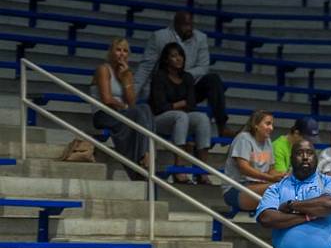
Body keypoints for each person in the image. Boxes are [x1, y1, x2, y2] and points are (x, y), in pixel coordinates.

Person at [137, 11, 234, 137]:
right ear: (176, 24)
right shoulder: (159, 37)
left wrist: (181, 74)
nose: (190, 28)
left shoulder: (201, 38)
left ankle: (222, 125)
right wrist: (132, 93)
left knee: (213, 79)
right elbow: (145, 67)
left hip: (187, 86)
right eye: (185, 25)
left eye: (191, 25)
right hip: (166, 87)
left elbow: (203, 67)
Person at [89, 37, 154, 177]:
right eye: (118, 50)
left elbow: (132, 103)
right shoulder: (103, 69)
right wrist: (124, 106)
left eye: (125, 51)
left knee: (145, 109)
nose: (122, 54)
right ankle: (145, 154)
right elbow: (107, 99)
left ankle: (146, 153)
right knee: (137, 113)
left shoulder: (127, 73)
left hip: (121, 113)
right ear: (111, 52)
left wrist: (125, 79)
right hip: (104, 114)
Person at [149, 42, 213, 185]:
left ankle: (202, 171)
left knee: (202, 118)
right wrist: (178, 104)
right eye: (174, 56)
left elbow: (191, 104)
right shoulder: (159, 76)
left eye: (180, 56)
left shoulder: (187, 77)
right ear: (166, 59)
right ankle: (179, 170)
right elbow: (160, 106)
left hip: (181, 118)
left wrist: (177, 105)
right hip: (159, 119)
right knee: (181, 116)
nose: (178, 59)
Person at [223, 110, 285, 212]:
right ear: (256, 125)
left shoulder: (268, 141)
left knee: (288, 185)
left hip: (257, 186)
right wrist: (270, 177)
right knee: (275, 189)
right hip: (236, 189)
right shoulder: (243, 138)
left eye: (272, 125)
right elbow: (244, 168)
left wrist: (281, 175)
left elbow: (271, 169)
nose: (271, 128)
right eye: (268, 124)